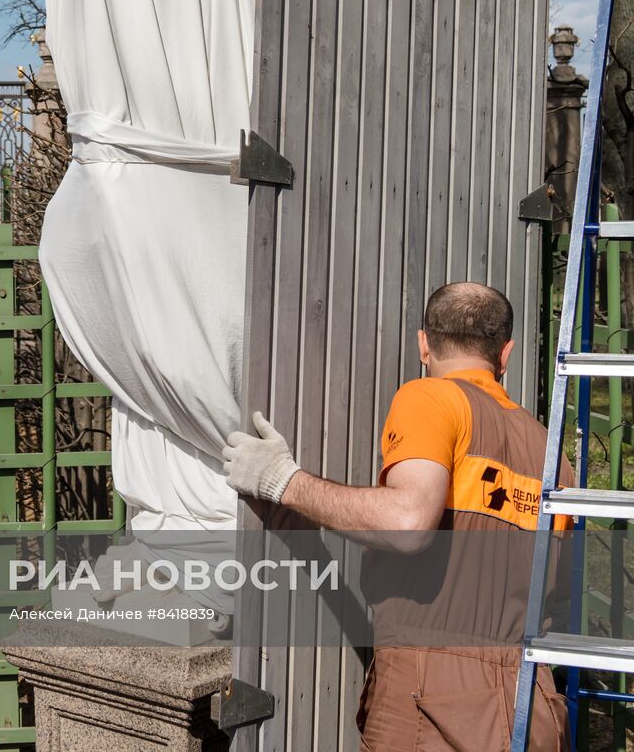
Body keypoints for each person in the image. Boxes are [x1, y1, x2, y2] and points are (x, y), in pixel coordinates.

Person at [223, 282, 571, 750]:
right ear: (505, 353)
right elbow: (559, 591)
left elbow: (408, 521)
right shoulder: (551, 454)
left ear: (423, 342)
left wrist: (283, 481)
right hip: (533, 704)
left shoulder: (432, 398)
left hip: (431, 701)